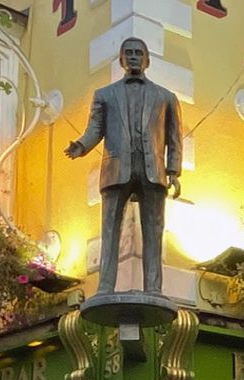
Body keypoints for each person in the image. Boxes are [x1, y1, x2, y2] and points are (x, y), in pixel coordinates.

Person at [64, 37, 182, 295]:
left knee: (154, 232)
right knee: (109, 230)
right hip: (117, 168)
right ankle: (105, 286)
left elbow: (174, 137)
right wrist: (81, 146)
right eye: (127, 53)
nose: (133, 56)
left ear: (147, 59)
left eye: (138, 52)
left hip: (153, 170)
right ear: (121, 59)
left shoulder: (166, 97)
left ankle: (153, 288)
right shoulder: (104, 95)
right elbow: (95, 129)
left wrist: (173, 171)